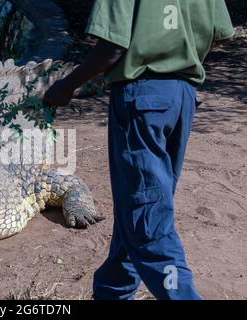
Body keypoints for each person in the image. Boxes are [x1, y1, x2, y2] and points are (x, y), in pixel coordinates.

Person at [43, 0, 234, 300]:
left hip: (141, 99)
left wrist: (67, 86)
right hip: (180, 97)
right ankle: (112, 292)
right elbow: (220, 33)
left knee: (146, 216)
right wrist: (179, 58)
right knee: (140, 201)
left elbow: (113, 47)